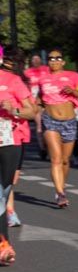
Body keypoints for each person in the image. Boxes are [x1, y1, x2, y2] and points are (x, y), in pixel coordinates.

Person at [28, 49, 78, 208]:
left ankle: (62, 186)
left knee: (64, 160)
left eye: (58, 58)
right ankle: (60, 193)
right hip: (50, 120)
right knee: (55, 158)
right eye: (51, 58)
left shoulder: (74, 76)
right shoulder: (43, 79)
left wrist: (74, 91)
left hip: (69, 121)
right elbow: (39, 99)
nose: (54, 60)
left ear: (63, 61)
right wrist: (34, 109)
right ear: (47, 61)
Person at [0, 45, 36, 262]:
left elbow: (32, 110)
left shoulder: (11, 80)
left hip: (8, 142)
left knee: (2, 194)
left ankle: (3, 243)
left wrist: (13, 109)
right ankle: (4, 245)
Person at [1, 48, 29, 229]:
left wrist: (13, 111)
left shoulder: (15, 80)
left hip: (13, 136)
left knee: (8, 182)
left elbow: (32, 110)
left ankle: (9, 209)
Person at [24, 53, 49, 160]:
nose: (35, 61)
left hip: (47, 100)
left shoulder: (47, 69)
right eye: (33, 59)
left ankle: (48, 145)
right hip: (34, 102)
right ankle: (42, 148)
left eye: (37, 58)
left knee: (48, 125)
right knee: (39, 126)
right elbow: (24, 86)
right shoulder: (27, 72)